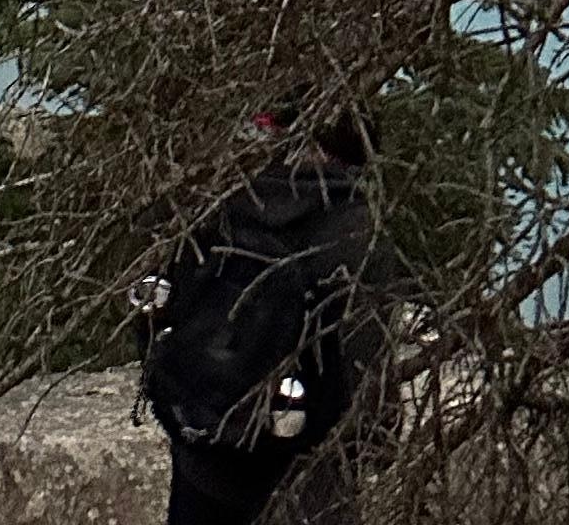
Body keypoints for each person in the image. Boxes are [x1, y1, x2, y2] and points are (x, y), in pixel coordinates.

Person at [138, 111, 394, 525]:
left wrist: (186, 422)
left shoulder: (213, 206)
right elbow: (364, 375)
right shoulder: (351, 230)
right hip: (304, 475)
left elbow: (155, 318)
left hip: (204, 460)